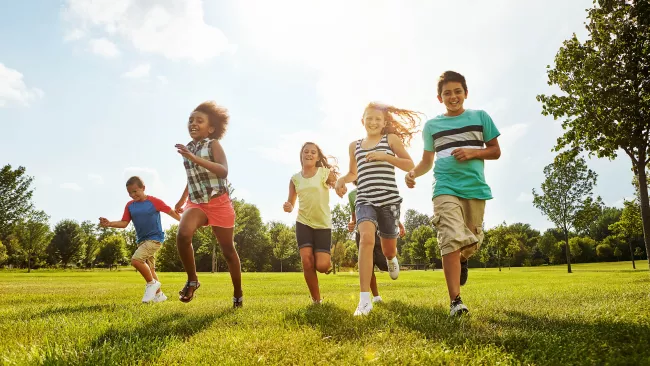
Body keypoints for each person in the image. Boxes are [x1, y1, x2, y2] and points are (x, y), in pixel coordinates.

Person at [406, 71, 501, 316]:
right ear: (439, 98)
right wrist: (414, 173)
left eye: (457, 91)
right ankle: (455, 301)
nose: (453, 96)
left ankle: (464, 259)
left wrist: (472, 152)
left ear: (466, 93)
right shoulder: (432, 126)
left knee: (470, 242)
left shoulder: (481, 118)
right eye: (447, 93)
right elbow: (427, 161)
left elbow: (495, 151)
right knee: (449, 238)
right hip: (444, 187)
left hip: (474, 188)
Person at [335, 101, 422, 316]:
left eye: (377, 119)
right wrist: (341, 180)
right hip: (365, 200)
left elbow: (409, 164)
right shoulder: (354, 145)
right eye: (369, 118)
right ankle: (364, 301)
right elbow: (353, 174)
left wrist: (384, 156)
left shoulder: (390, 139)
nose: (373, 122)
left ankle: (391, 258)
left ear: (384, 122)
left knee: (388, 249)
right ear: (362, 120)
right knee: (365, 239)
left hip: (389, 201)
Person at [174, 101, 243, 307]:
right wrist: (180, 200)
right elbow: (193, 177)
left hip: (218, 202)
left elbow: (223, 171)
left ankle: (238, 292)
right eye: (191, 120)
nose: (193, 123)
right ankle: (192, 280)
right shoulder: (188, 148)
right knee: (183, 234)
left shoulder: (213, 144)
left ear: (211, 128)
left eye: (199, 121)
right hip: (196, 203)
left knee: (228, 251)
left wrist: (194, 158)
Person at [99, 176, 180, 303]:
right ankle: (159, 296)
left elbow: (171, 212)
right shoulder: (130, 206)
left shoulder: (154, 201)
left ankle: (151, 284)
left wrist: (186, 222)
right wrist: (109, 223)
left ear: (143, 188)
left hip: (155, 239)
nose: (132, 195)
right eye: (129, 193)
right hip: (142, 241)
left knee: (136, 260)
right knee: (150, 268)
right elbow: (124, 223)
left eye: (135, 191)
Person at [283, 142, 338, 304]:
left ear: (318, 157)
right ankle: (316, 300)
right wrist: (288, 206)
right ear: (301, 155)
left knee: (321, 266)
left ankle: (323, 260)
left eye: (313, 152)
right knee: (307, 261)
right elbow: (291, 204)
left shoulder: (324, 173)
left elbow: (337, 184)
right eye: (306, 151)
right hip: (303, 223)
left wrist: (341, 189)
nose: (309, 154)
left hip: (322, 224)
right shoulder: (295, 179)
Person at [347, 184, 406, 304]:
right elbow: (354, 217)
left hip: (378, 232)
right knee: (368, 266)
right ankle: (376, 296)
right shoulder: (352, 195)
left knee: (383, 264)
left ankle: (391, 257)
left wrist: (400, 225)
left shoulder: (375, 186)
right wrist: (351, 223)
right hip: (362, 234)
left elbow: (386, 212)